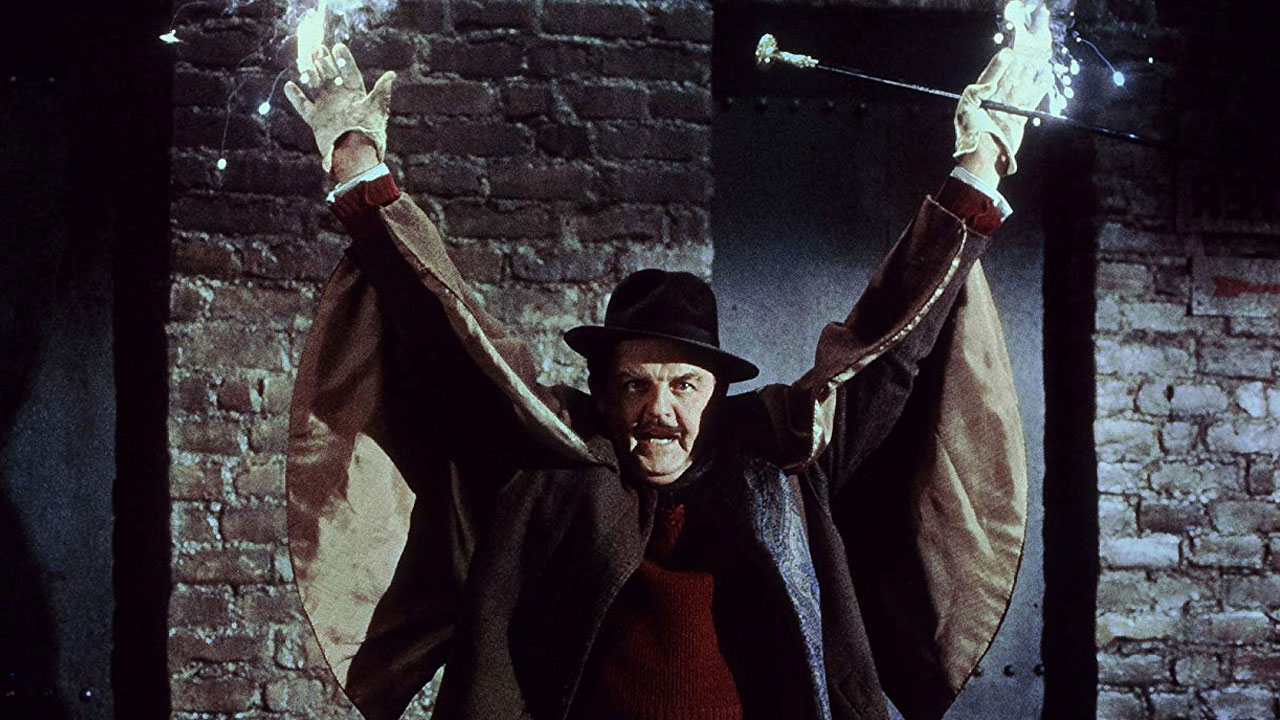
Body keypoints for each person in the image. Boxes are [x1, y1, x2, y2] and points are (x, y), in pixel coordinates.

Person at [283, 9, 1049, 720]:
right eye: (635, 385)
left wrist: (979, 163)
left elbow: (889, 350)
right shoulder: (558, 471)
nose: (660, 411)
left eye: (685, 385)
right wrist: (357, 163)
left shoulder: (779, 462)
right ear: (601, 392)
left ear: (716, 395)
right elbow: (452, 338)